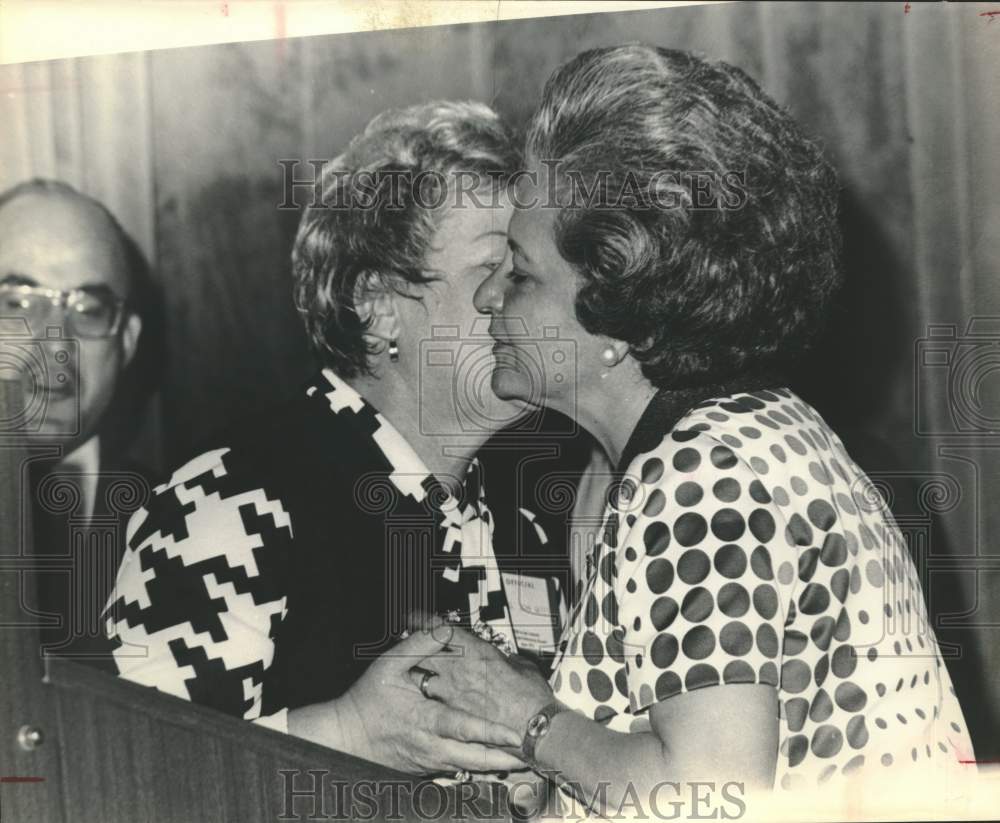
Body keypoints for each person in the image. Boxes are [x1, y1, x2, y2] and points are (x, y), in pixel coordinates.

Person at [413, 46, 974, 815]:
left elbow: (710, 793)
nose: (485, 297)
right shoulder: (759, 429)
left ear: (618, 309)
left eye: (520, 270)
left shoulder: (701, 478)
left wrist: (528, 718)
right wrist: (561, 765)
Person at [102, 101, 590, 776]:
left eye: (527, 272)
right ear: (378, 303)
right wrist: (348, 731)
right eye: (492, 271)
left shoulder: (538, 501)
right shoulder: (229, 498)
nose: (527, 302)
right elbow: (135, 775)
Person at [0, 179, 153, 656]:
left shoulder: (184, 521)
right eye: (17, 302)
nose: (55, 347)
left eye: (89, 309)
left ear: (125, 342)